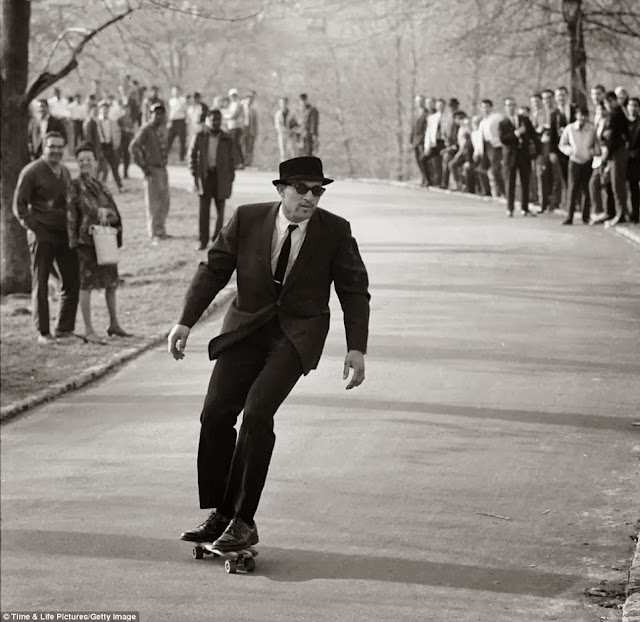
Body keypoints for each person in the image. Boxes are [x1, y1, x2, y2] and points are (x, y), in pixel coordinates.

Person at [168, 156, 370, 551]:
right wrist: (185, 321)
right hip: (246, 329)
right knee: (215, 415)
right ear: (281, 189)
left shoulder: (335, 231)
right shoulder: (248, 219)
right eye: (302, 189)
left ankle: (244, 520)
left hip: (296, 335)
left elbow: (353, 291)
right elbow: (213, 270)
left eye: (318, 191)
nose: (310, 198)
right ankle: (221, 514)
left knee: (258, 412)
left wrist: (356, 347)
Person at [12, 132, 79, 344]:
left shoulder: (65, 171)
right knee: (40, 282)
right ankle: (43, 332)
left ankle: (64, 329)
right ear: (44, 147)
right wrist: (35, 228)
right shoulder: (32, 171)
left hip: (63, 234)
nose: (56, 151)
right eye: (52, 147)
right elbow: (19, 206)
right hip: (42, 234)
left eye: (60, 147)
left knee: (71, 280)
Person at [67, 142, 130, 344]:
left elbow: (115, 212)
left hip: (105, 240)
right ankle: (88, 329)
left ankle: (114, 324)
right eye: (81, 160)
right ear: (77, 163)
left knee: (111, 283)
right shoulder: (75, 185)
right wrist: (73, 242)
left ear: (95, 162)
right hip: (85, 242)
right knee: (86, 285)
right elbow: (71, 215)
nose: (85, 163)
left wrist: (106, 213)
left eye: (89, 159)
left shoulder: (102, 186)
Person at [188, 109, 235, 251]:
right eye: (213, 120)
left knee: (220, 212)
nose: (216, 123)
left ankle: (217, 240)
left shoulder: (227, 139)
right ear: (207, 120)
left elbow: (232, 160)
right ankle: (202, 241)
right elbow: (191, 156)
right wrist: (194, 174)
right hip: (205, 177)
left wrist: (230, 177)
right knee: (204, 212)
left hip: (221, 178)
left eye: (218, 120)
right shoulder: (200, 136)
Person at [129, 103, 171, 244]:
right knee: (154, 202)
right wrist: (144, 167)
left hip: (162, 168)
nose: (159, 116)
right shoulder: (146, 129)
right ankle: (154, 232)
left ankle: (161, 229)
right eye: (156, 113)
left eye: (161, 113)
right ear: (151, 114)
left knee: (164, 201)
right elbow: (134, 147)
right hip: (152, 169)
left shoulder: (162, 129)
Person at [498, 97, 540, 217]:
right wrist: (516, 133)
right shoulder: (503, 123)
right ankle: (510, 208)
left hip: (524, 155)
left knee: (525, 182)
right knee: (510, 182)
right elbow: (503, 139)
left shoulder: (524, 120)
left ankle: (525, 208)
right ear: (505, 108)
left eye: (512, 105)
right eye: (508, 105)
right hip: (510, 156)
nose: (510, 108)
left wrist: (536, 151)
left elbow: (533, 135)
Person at [558, 106, 596, 225]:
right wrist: (570, 151)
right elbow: (562, 144)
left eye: (584, 115)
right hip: (574, 160)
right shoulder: (570, 128)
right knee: (573, 188)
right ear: (576, 116)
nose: (582, 118)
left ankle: (586, 215)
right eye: (580, 115)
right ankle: (570, 216)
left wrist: (591, 152)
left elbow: (596, 144)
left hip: (587, 160)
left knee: (586, 189)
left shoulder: (591, 129)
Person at [601, 90, 630, 228]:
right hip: (616, 151)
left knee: (617, 184)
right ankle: (619, 212)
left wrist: (607, 156)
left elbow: (612, 137)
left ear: (612, 101)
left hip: (617, 152)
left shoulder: (616, 113)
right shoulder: (617, 113)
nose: (606, 105)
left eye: (607, 102)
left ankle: (621, 214)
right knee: (612, 182)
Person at [478, 99, 504, 198]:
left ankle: (503, 191)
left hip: (495, 146)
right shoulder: (482, 122)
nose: (485, 109)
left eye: (487, 107)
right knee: (481, 169)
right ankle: (486, 190)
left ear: (491, 108)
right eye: (483, 107)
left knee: (495, 170)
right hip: (485, 146)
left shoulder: (496, 118)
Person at [96, 100, 123, 192]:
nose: (105, 111)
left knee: (114, 166)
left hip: (110, 146)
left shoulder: (112, 122)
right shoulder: (97, 122)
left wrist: (116, 144)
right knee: (100, 168)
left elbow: (117, 134)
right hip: (101, 146)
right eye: (103, 109)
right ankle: (96, 186)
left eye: (106, 109)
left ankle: (120, 186)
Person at [224, 89, 245, 169]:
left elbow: (234, 115)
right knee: (232, 145)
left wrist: (225, 116)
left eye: (235, 95)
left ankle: (240, 162)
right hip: (230, 127)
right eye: (232, 95)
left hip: (236, 127)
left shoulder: (238, 104)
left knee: (236, 145)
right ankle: (235, 162)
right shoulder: (231, 104)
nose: (233, 97)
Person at [410, 95, 428, 185]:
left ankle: (427, 178)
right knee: (418, 160)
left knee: (422, 159)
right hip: (415, 140)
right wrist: (411, 139)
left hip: (422, 140)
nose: (419, 103)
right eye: (418, 101)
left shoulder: (427, 113)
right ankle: (423, 177)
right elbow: (414, 128)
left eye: (421, 101)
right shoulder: (416, 113)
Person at [627, 97, 640, 224]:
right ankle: (629, 212)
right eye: (630, 105)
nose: (632, 108)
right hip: (625, 159)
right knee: (630, 187)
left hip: (636, 159)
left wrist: (635, 153)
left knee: (635, 187)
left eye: (635, 105)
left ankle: (635, 213)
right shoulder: (624, 122)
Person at [168, 86, 188, 162]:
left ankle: (181, 157)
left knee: (182, 140)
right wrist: (169, 121)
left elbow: (185, 111)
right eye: (174, 91)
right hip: (173, 121)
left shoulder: (183, 100)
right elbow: (171, 111)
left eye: (177, 91)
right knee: (169, 139)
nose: (175, 92)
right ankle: (165, 155)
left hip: (181, 121)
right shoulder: (171, 101)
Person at [274, 97, 296, 162]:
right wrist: (285, 130)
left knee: (292, 152)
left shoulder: (292, 113)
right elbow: (277, 126)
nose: (283, 104)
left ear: (287, 103)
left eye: (285, 103)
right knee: (283, 152)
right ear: (280, 104)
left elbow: (295, 123)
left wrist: (292, 130)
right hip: (282, 134)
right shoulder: (278, 114)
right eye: (282, 103)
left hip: (291, 135)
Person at [242, 91, 259, 167]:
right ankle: (244, 161)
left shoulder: (253, 111)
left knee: (250, 147)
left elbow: (255, 123)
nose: (249, 101)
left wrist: (255, 132)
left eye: (251, 99)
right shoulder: (241, 109)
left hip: (251, 131)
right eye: (248, 99)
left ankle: (249, 162)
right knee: (243, 146)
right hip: (243, 130)